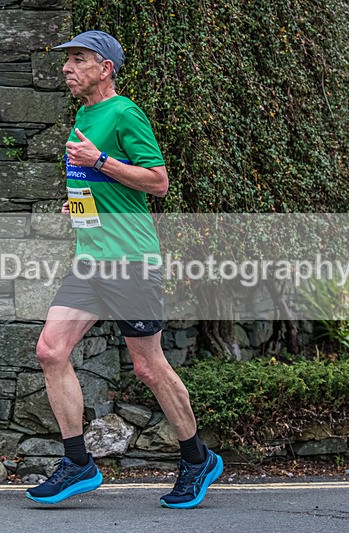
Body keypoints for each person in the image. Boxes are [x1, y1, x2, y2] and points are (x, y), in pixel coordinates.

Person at [24, 31, 223, 509]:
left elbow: (158, 182)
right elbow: (98, 185)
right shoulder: (85, 114)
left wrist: (101, 160)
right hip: (90, 259)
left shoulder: (125, 113)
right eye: (66, 60)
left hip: (130, 261)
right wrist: (80, 206)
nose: (67, 68)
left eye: (78, 60)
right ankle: (78, 463)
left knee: (148, 367)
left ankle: (197, 460)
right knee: (51, 351)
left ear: (105, 67)